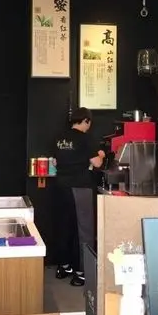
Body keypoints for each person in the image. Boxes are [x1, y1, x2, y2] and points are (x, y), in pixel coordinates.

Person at [54, 107, 104, 286]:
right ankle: (82, 272)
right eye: (88, 123)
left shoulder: (59, 137)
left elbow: (55, 162)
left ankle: (64, 266)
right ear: (85, 121)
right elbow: (97, 163)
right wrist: (101, 155)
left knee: (64, 226)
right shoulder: (85, 138)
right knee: (84, 230)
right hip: (80, 187)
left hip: (61, 186)